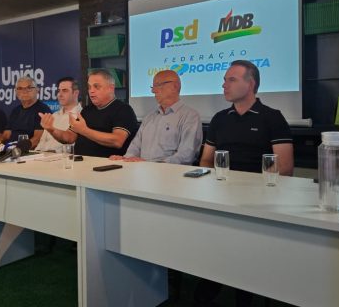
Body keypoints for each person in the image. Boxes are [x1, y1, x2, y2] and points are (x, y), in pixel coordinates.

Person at [195, 60, 294, 307]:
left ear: (250, 84)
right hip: (221, 194)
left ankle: (242, 291)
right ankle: (212, 279)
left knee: (241, 241)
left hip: (258, 199)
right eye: (224, 80)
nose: (224, 85)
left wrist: (252, 189)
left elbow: (284, 168)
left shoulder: (272, 118)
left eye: (231, 80)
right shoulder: (219, 119)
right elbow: (206, 160)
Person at [110, 69, 202, 164]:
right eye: (152, 86)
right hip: (143, 169)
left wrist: (150, 164)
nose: (153, 90)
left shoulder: (190, 117)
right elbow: (135, 146)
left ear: (175, 86)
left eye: (158, 85)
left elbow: (186, 156)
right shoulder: (149, 117)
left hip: (171, 171)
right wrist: (126, 159)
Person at [39, 69, 137, 157]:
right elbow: (69, 138)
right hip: (80, 162)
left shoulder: (123, 110)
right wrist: (52, 130)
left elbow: (117, 141)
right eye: (89, 87)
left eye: (96, 86)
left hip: (107, 166)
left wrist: (84, 130)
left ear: (111, 88)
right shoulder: (87, 110)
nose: (91, 91)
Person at [35, 77, 82, 152]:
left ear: (76, 93)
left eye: (65, 91)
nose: (60, 94)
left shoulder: (81, 115)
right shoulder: (54, 115)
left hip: (62, 157)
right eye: (59, 91)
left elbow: (69, 141)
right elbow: (42, 143)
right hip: (41, 156)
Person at [2, 76, 50, 149]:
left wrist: (18, 149)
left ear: (37, 90)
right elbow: (6, 135)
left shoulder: (42, 110)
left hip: (28, 151)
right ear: (15, 92)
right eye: (20, 88)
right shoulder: (15, 110)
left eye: (29, 88)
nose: (24, 91)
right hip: (11, 149)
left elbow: (37, 139)